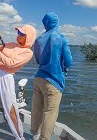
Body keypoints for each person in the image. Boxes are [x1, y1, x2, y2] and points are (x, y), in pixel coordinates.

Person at [0, 25, 37, 140]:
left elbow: (10, 64)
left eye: (22, 34)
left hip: (7, 77)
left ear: (29, 37)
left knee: (11, 109)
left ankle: (20, 136)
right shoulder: (11, 44)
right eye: (18, 33)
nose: (19, 35)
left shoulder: (28, 53)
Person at [31, 12, 73, 140]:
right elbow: (69, 61)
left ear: (45, 23)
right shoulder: (62, 37)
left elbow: (38, 60)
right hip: (53, 82)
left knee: (36, 110)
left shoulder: (38, 40)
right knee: (50, 113)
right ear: (57, 22)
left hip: (38, 79)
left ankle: (34, 135)